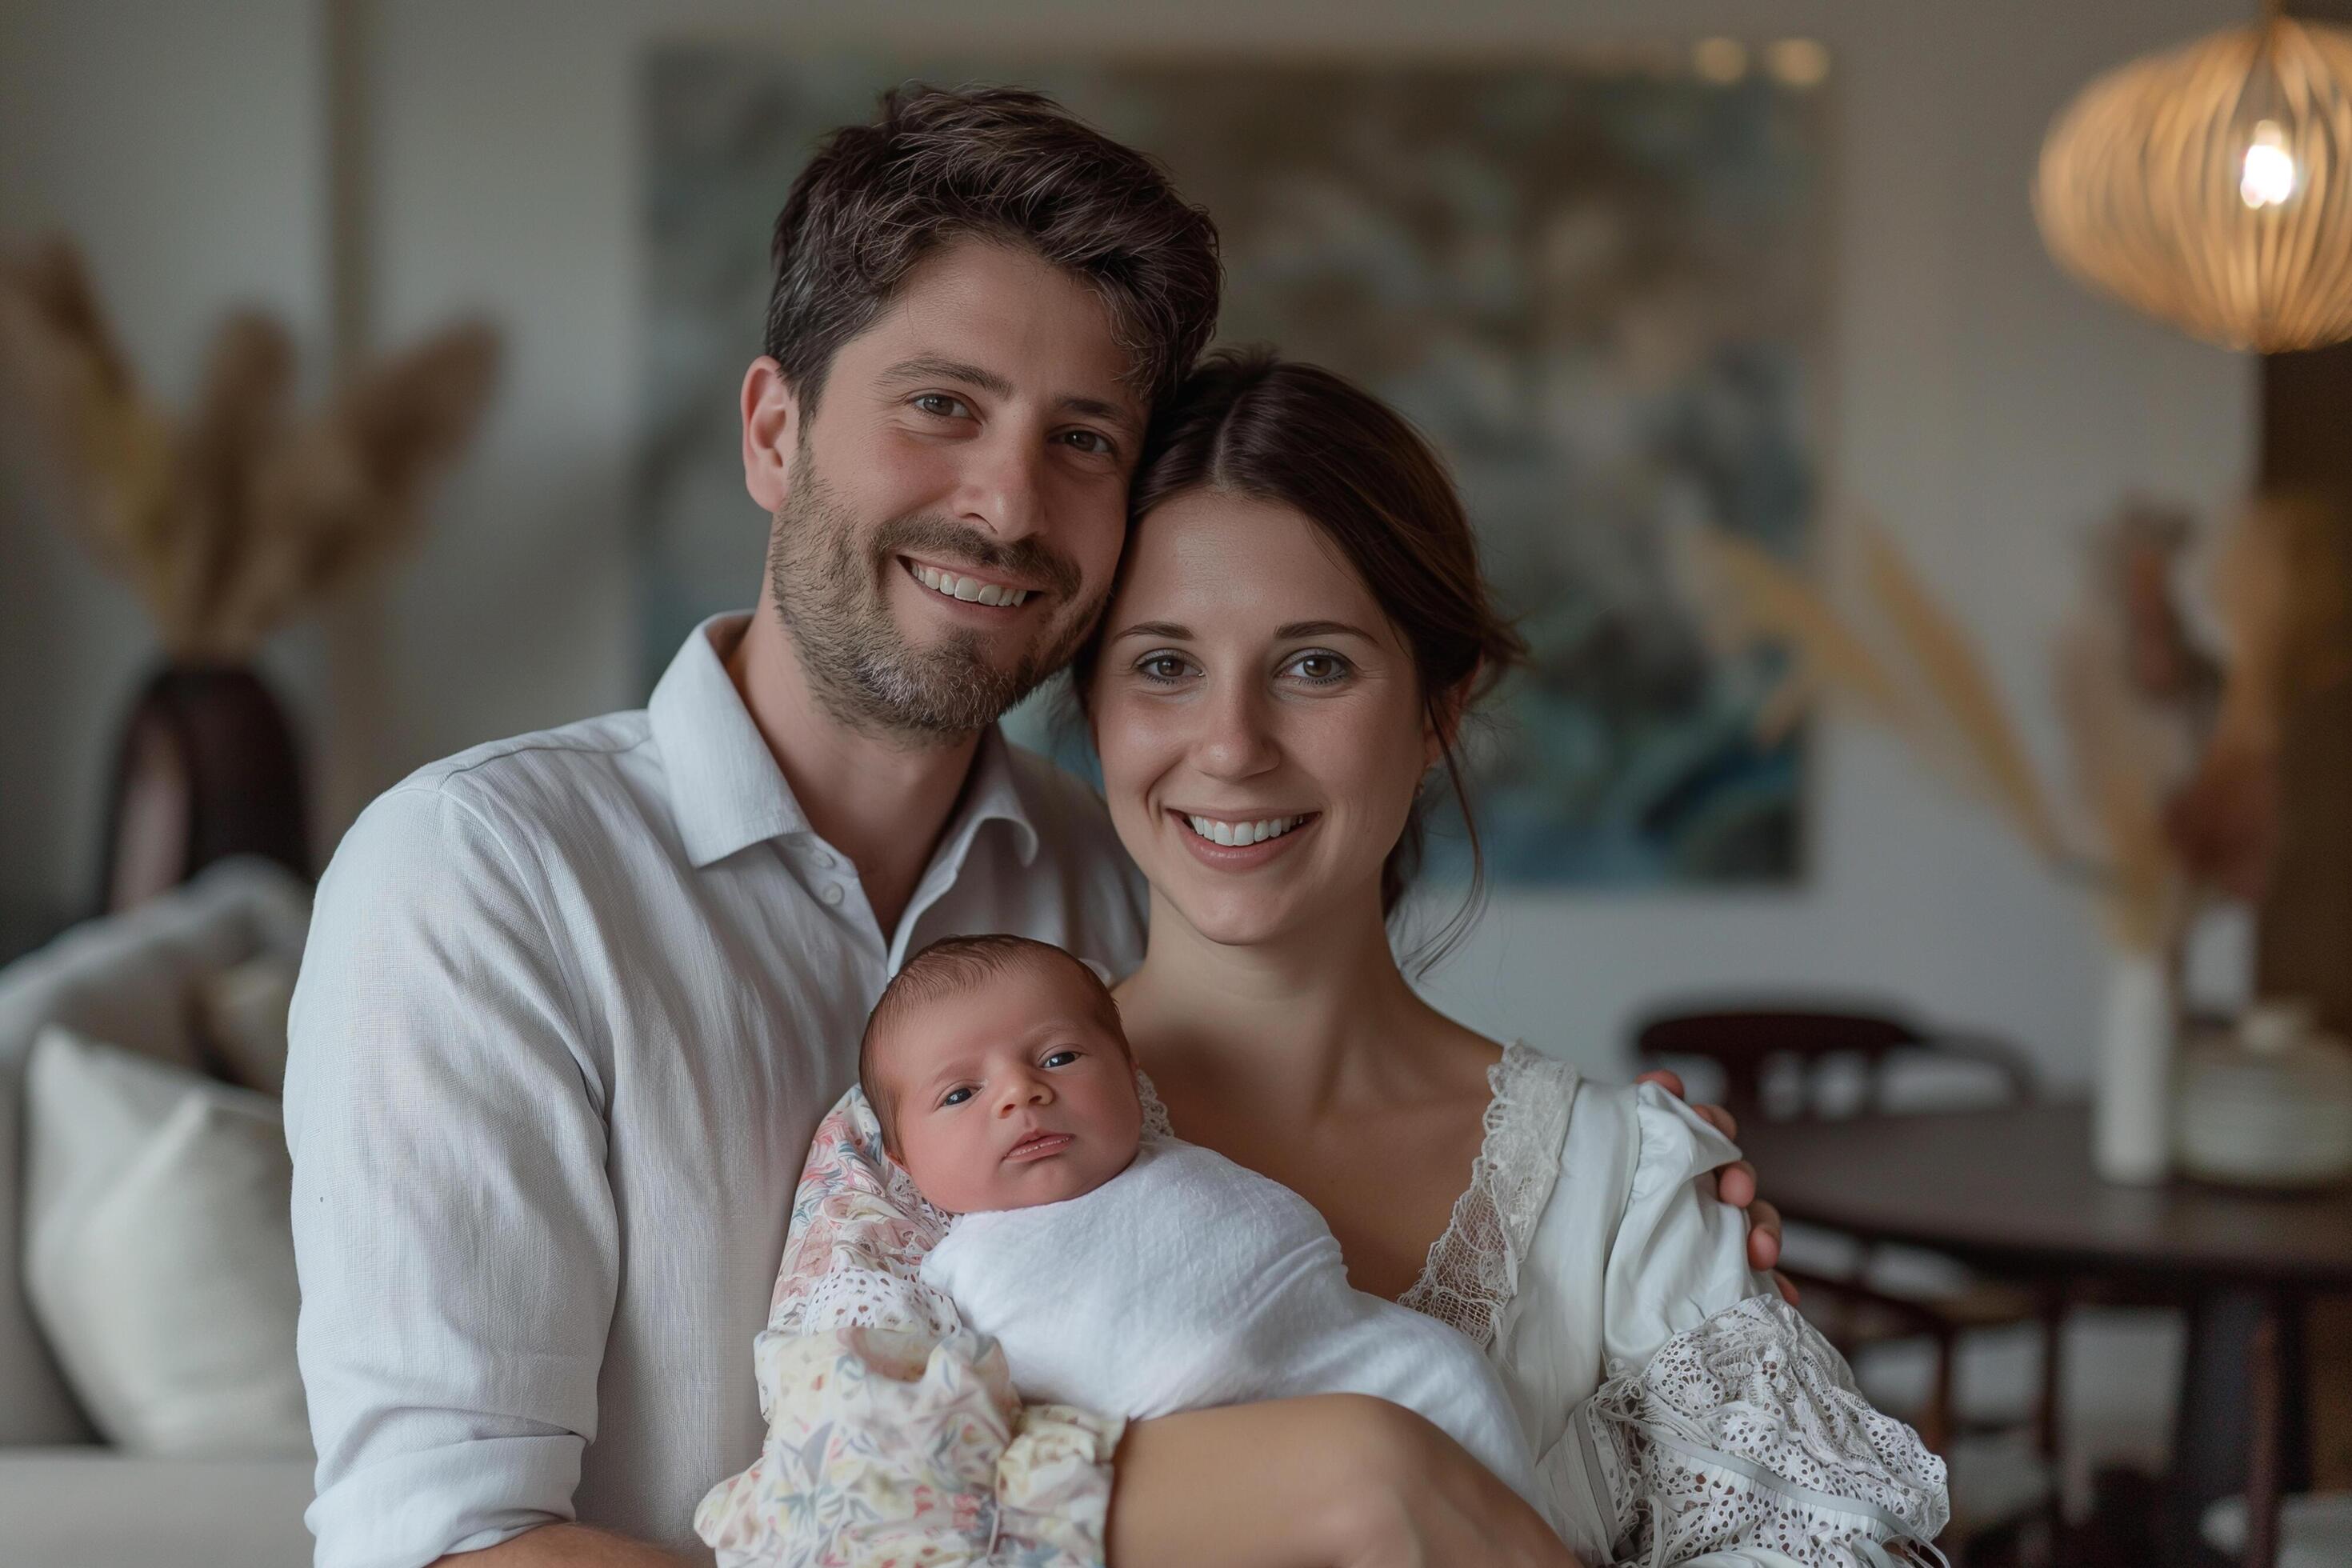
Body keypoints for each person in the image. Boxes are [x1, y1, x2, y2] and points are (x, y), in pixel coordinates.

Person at [285, 85, 1778, 1568]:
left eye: (1081, 440)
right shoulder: (486, 880)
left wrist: (1642, 1206)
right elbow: (439, 1548)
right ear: (772, 429)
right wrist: (1321, 1477)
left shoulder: (1128, 872)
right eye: (942, 406)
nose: (1006, 505)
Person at [732, 352, 1949, 1568]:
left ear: (1436, 711)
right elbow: (818, 1535)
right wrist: (1353, 1476)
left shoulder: (1622, 1190)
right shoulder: (933, 1129)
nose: (1232, 746)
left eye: (1315, 665)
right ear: (1093, 710)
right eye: (1164, 666)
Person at [732, 933, 1542, 1533]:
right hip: (1208, 1500)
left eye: (1058, 1056)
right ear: (901, 1157)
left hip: (1396, 1377)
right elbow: (894, 1455)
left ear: (1129, 1074)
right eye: (960, 1094)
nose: (1020, 1093)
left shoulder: (1176, 1163)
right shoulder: (943, 1276)